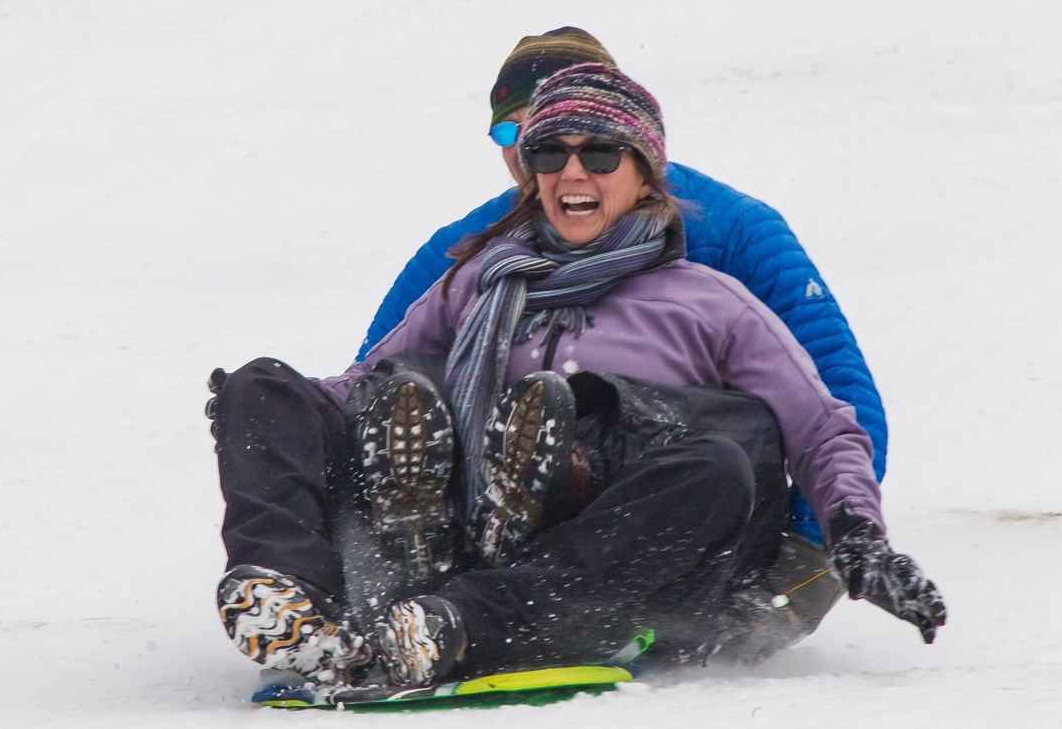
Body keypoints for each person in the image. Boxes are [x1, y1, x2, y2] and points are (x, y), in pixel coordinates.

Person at [210, 63, 944, 689]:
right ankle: (290, 602)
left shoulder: (706, 299)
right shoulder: (478, 280)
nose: (573, 172)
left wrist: (854, 534)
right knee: (270, 382)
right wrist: (268, 410)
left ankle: (457, 618)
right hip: (476, 519)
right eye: (551, 154)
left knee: (715, 461)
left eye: (600, 154)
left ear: (644, 172)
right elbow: (364, 385)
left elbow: (819, 423)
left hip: (623, 553)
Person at [356, 28, 888, 546]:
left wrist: (810, 543)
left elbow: (832, 391)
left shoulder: (733, 230)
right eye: (513, 135)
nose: (534, 156)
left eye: (592, 146)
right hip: (509, 527)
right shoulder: (471, 251)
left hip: (680, 518)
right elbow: (378, 389)